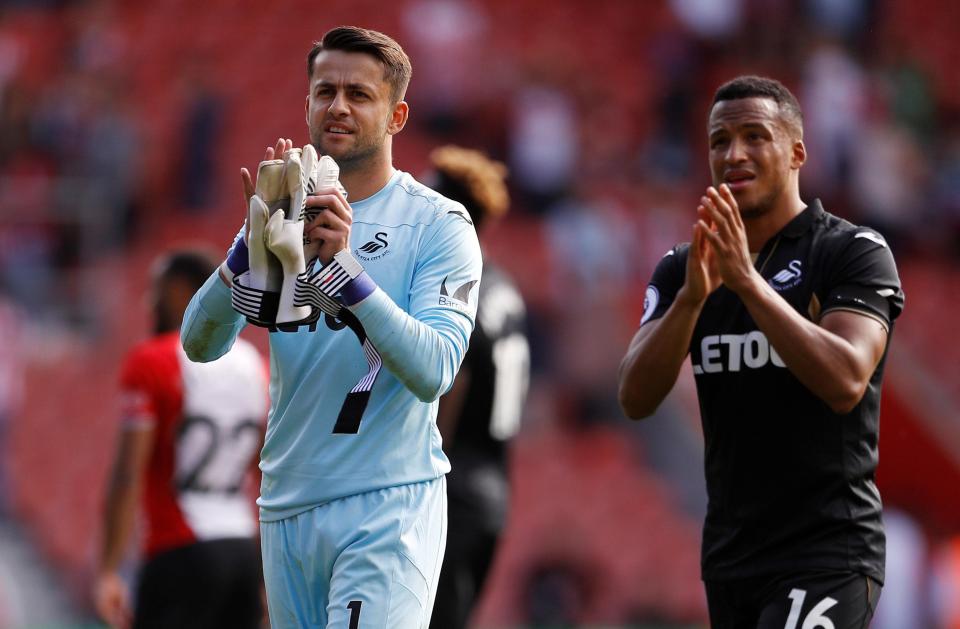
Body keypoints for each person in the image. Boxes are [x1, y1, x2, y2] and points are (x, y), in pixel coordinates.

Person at [180, 26, 483, 629]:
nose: (338, 106)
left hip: (387, 505)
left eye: (359, 94)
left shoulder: (438, 224)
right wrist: (245, 252)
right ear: (308, 105)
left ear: (397, 115)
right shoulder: (287, 211)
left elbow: (434, 371)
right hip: (286, 505)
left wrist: (346, 272)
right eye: (325, 91)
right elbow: (198, 342)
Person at [618, 75, 904, 629]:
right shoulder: (684, 268)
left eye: (755, 136)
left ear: (797, 151)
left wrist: (748, 284)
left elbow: (846, 380)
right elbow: (634, 397)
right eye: (720, 141)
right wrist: (692, 302)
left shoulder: (851, 252)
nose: (734, 154)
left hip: (826, 552)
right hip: (730, 559)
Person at [94, 249, 268, 629]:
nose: (150, 303)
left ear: (180, 291)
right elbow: (265, 471)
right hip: (241, 550)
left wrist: (108, 568)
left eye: (157, 291)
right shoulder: (255, 364)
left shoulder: (152, 360)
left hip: (178, 550)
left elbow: (128, 474)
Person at [423, 146, 530, 629]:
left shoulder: (457, 285)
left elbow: (455, 378)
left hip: (452, 484)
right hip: (492, 489)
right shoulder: (505, 288)